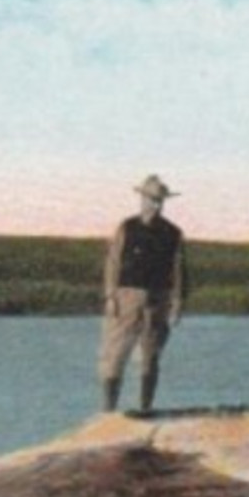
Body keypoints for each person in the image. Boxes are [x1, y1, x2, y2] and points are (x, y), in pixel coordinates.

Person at [99, 175, 188, 413]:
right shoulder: (127, 227)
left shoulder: (173, 233)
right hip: (127, 297)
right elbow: (113, 262)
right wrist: (110, 296)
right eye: (152, 199)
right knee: (116, 354)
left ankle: (145, 409)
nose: (156, 205)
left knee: (150, 356)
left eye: (160, 200)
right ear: (142, 198)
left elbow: (178, 269)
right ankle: (108, 412)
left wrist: (178, 302)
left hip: (158, 299)